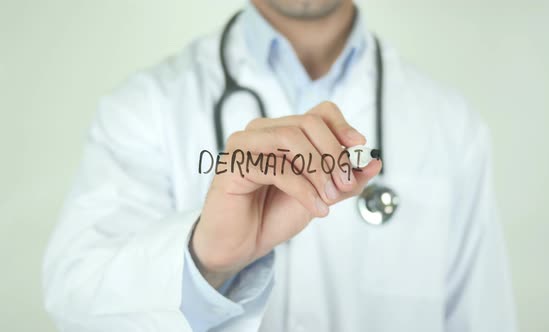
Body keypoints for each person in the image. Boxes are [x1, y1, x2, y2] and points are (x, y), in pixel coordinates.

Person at [43, 0, 517, 331]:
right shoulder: (143, 108)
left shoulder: (452, 126)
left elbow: (483, 320)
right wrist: (205, 261)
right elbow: (76, 306)